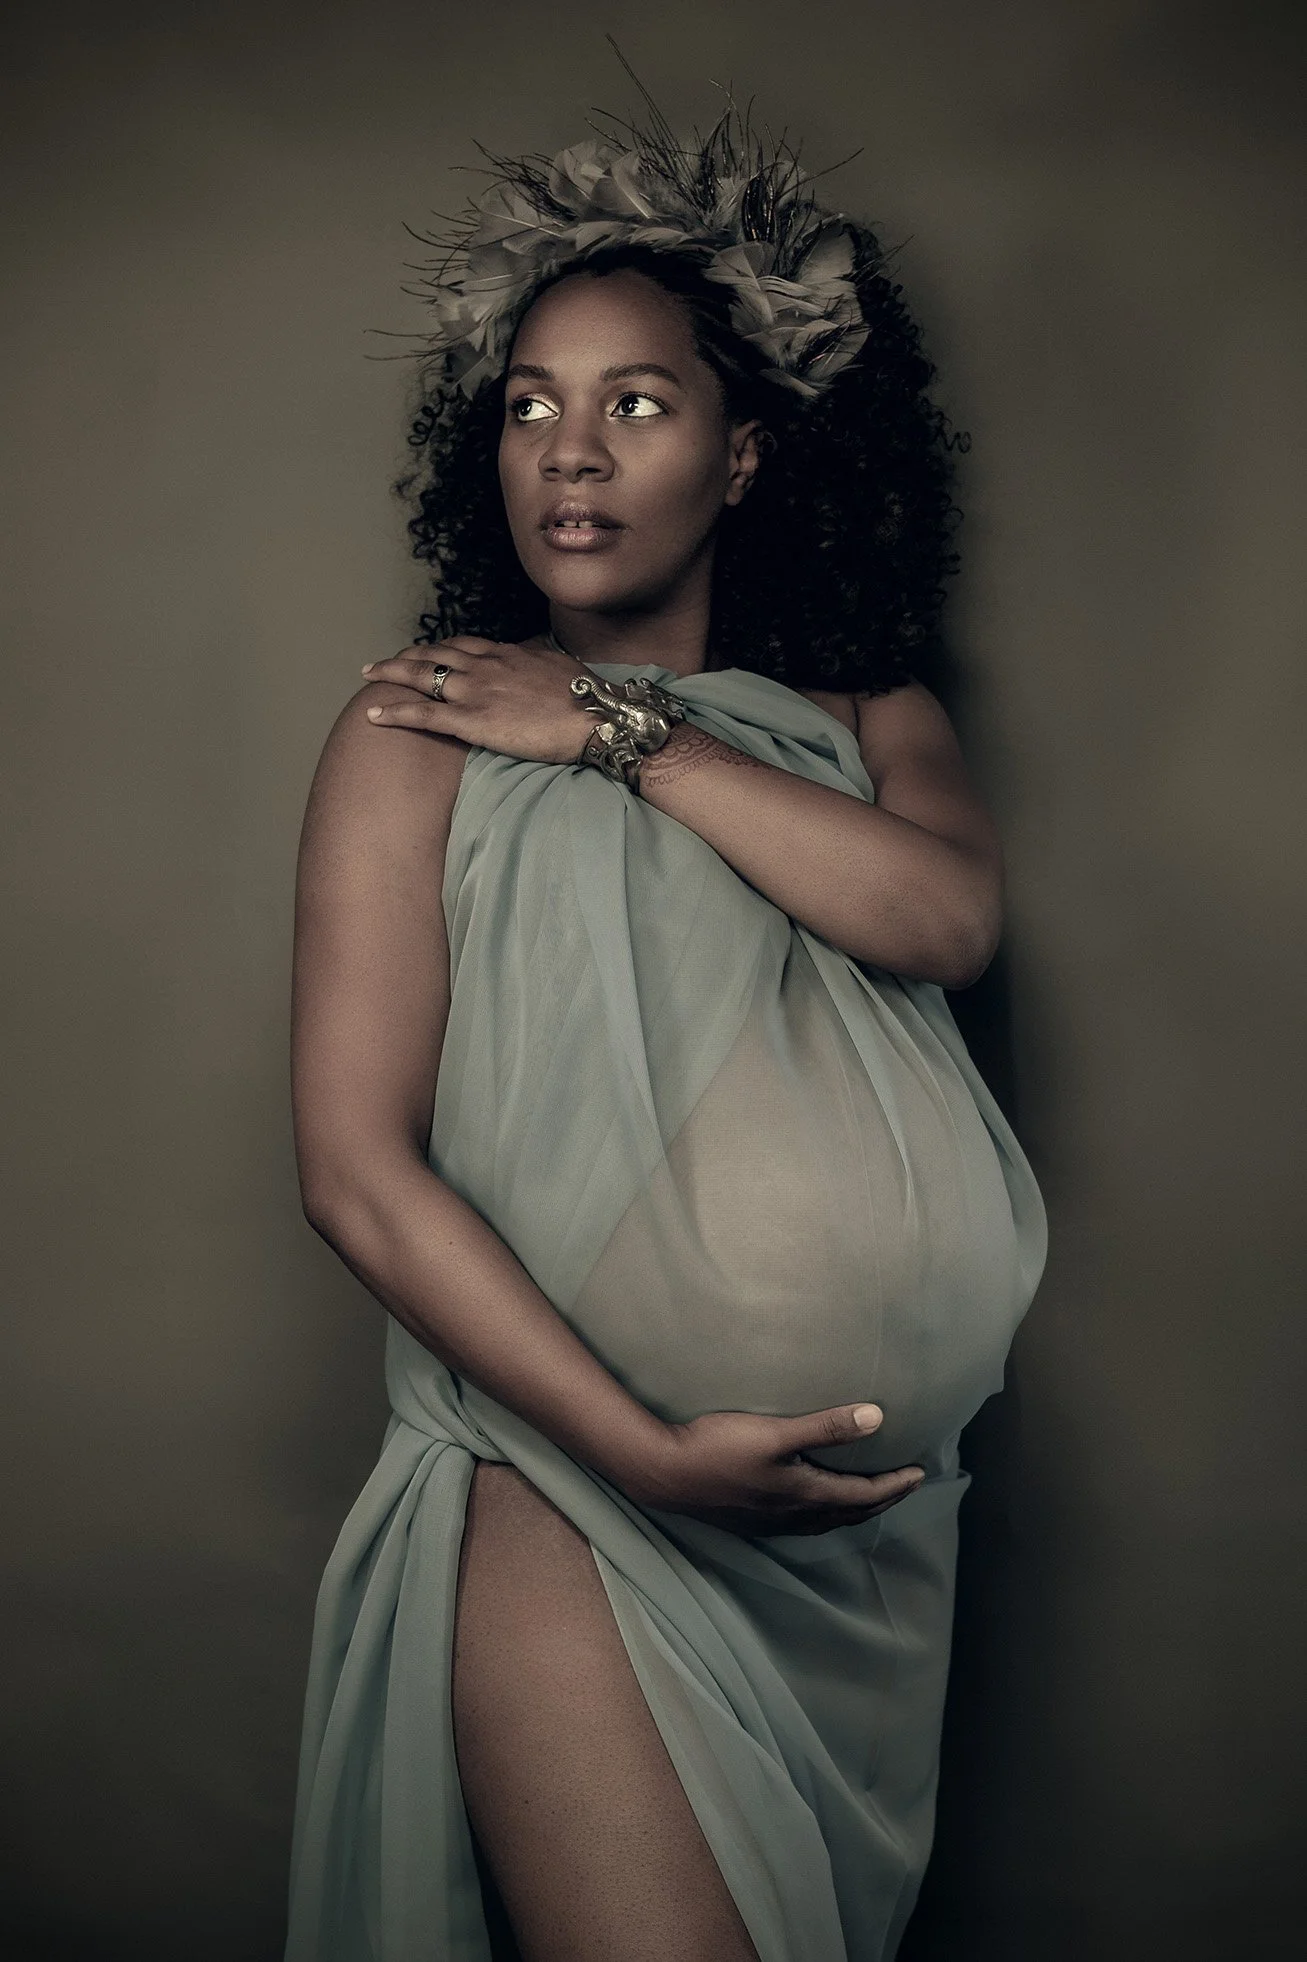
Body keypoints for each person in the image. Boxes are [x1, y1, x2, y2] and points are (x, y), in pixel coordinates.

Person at [284, 89, 1048, 1962]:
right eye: (531, 403)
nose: (569, 449)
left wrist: (622, 733)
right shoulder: (416, 730)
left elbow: (943, 919)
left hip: (869, 1567)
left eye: (637, 402)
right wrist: (633, 1446)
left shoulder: (863, 716)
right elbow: (356, 1172)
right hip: (569, 1486)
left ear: (745, 453)